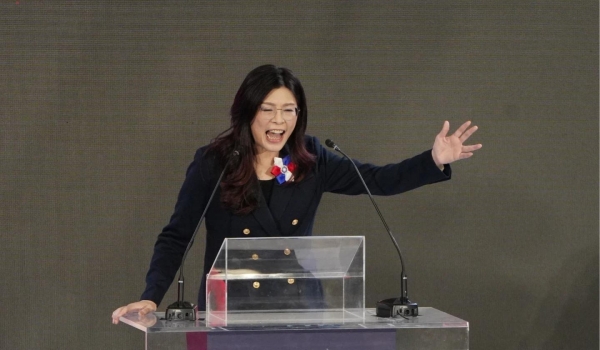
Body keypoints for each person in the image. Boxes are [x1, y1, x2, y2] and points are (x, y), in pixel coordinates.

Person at [112, 64, 481, 324]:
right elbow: (177, 236)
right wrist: (151, 296)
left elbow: (379, 180)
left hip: (300, 307)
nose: (279, 120)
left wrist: (434, 160)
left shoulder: (311, 158)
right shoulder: (215, 162)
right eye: (268, 109)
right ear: (248, 112)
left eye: (289, 110)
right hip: (228, 311)